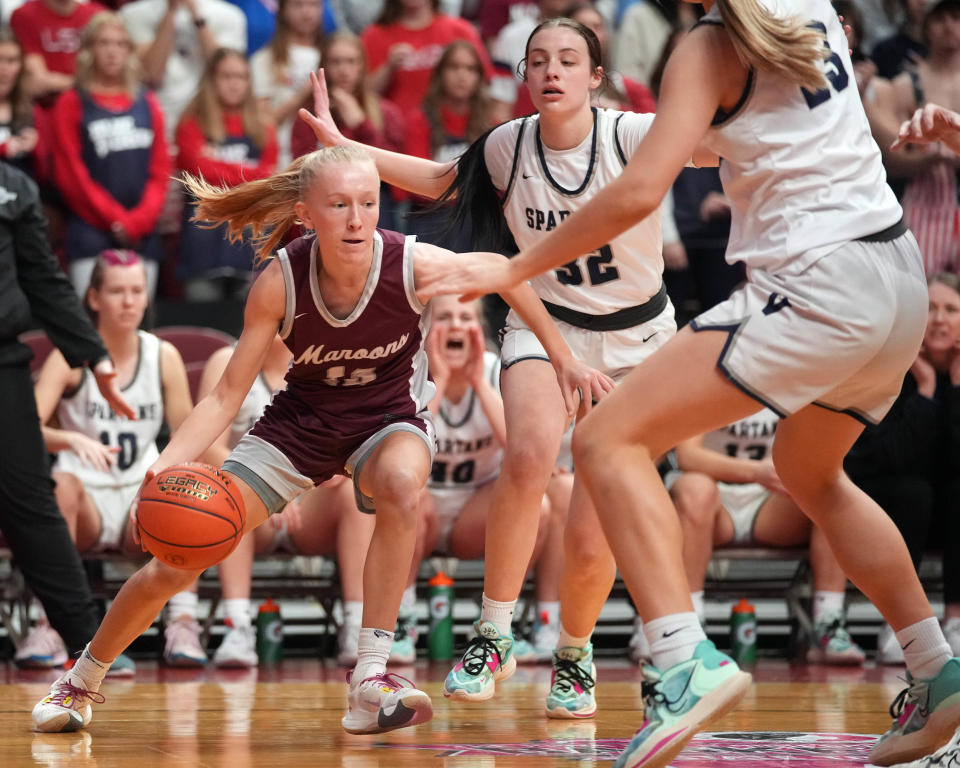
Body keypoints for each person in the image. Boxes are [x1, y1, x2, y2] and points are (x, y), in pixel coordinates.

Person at [416, 0, 960, 764]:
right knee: (811, 470)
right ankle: (937, 667)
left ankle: (681, 660)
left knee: (607, 438)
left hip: (819, 279)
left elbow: (640, 193)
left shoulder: (708, 46)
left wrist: (512, 266)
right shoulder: (813, 13)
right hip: (898, 273)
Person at [30, 143, 586, 736]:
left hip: (386, 420)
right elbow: (223, 397)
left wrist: (564, 359)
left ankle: (371, 678)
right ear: (305, 215)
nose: (356, 219)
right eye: (340, 204)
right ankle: (81, 680)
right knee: (181, 553)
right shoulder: (280, 282)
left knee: (401, 483)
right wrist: (162, 467)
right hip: (299, 427)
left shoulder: (413, 263)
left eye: (368, 204)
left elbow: (509, 273)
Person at [299, 17, 698, 720]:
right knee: (529, 456)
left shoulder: (631, 135)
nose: (551, 70)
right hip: (547, 327)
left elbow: (708, 144)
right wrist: (343, 144)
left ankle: (574, 655)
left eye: (568, 60)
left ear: (595, 75)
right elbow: (437, 179)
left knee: (592, 521)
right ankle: (493, 632)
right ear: (521, 75)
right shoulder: (509, 146)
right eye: (537, 59)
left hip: (638, 340)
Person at [27, 249, 193, 673]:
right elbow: (23, 429)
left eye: (137, 291)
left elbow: (191, 435)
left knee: (188, 490)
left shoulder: (163, 356)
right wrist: (67, 439)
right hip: (86, 499)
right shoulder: (69, 356)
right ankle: (46, 625)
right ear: (95, 298)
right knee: (58, 487)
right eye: (117, 291)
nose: (129, 301)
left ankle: (183, 623)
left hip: (143, 494)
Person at [0, 161, 134, 674]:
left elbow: (44, 280)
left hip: (2, 367)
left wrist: (96, 358)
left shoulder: (13, 189)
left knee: (30, 500)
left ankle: (86, 644)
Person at [403, 294, 569, 665]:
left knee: (541, 504)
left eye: (467, 317)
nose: (458, 326)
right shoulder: (412, 368)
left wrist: (478, 382)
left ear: (480, 329)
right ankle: (401, 622)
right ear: (427, 329)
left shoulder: (497, 369)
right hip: (421, 511)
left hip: (474, 515)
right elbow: (405, 436)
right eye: (446, 317)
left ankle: (508, 626)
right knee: (406, 496)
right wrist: (442, 381)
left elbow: (520, 449)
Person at [196, 334, 375, 668]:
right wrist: (267, 485)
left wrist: (328, 474)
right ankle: (238, 628)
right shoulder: (226, 360)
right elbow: (209, 446)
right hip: (253, 505)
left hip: (310, 505)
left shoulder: (331, 361)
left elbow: (348, 447)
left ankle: (357, 625)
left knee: (356, 495)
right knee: (231, 491)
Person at [667, 410, 865, 666]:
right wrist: (754, 471)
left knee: (829, 485)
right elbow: (687, 456)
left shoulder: (794, 377)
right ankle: (689, 626)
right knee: (694, 489)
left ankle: (828, 624)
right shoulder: (705, 373)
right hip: (714, 495)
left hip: (771, 499)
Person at [845, 273, 960, 663]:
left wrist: (956, 388)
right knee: (912, 489)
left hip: (950, 513)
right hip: (897, 509)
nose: (941, 319)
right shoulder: (888, 371)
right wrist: (926, 388)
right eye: (931, 309)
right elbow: (889, 457)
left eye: (951, 309)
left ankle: (956, 622)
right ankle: (903, 624)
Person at [51, 12, 170, 302]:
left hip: (142, 232)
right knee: (92, 326)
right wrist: (116, 220)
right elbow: (71, 175)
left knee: (138, 319)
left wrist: (138, 221)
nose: (112, 51)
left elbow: (160, 168)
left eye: (120, 43)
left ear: (129, 51)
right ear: (89, 50)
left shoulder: (147, 101)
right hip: (91, 232)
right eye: (103, 43)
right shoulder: (71, 102)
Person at [175, 47, 278, 302]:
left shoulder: (264, 127)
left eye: (241, 77)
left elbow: (267, 178)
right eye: (226, 76)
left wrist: (216, 163)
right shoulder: (191, 124)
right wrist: (248, 175)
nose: (234, 84)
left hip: (251, 239)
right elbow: (198, 174)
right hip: (203, 239)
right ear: (211, 80)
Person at [290, 33, 407, 231]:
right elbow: (302, 171)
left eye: (351, 61)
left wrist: (361, 124)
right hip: (325, 204)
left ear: (362, 66)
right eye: (336, 62)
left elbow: (396, 172)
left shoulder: (386, 112)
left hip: (376, 205)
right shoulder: (308, 116)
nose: (344, 70)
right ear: (324, 66)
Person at [403, 40, 493, 251]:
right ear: (440, 73)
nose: (462, 75)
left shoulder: (491, 123)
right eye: (454, 67)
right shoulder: (419, 119)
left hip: (474, 220)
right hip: (430, 219)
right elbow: (411, 187)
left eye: (470, 69)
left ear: (479, 77)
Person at [360, 0, 494, 116]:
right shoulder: (374, 35)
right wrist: (388, 67)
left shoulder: (461, 30)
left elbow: (485, 83)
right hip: (396, 132)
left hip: (449, 132)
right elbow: (361, 94)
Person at [249, 0, 324, 168]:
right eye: (298, 5)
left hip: (325, 155)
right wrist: (302, 94)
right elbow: (263, 122)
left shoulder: (335, 55)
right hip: (283, 157)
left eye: (313, 5)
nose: (307, 12)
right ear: (282, 11)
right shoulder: (265, 59)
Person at [0, 28, 39, 174]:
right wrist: (3, 148)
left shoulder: (30, 108)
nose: (3, 69)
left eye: (11, 61)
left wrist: (36, 145)